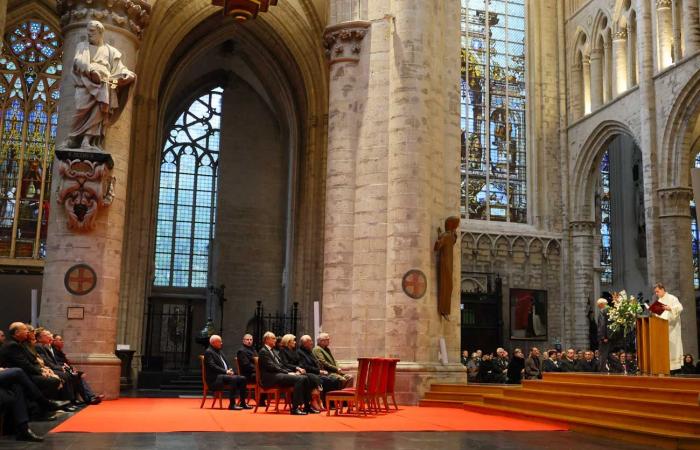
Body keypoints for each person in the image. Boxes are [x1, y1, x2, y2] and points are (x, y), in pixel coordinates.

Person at [65, 20, 135, 150]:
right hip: (86, 84)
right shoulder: (82, 46)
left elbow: (119, 68)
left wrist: (127, 74)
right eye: (88, 31)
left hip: (103, 86)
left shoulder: (111, 51)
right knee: (80, 110)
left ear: (100, 32)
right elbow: (78, 61)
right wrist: (91, 70)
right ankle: (73, 138)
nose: (89, 34)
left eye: (92, 31)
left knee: (98, 112)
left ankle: (87, 140)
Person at [0, 323, 62, 400]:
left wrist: (42, 370)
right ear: (17, 333)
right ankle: (44, 403)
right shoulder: (13, 345)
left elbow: (31, 361)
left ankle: (44, 404)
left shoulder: (19, 343)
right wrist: (41, 372)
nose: (28, 332)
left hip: (26, 372)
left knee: (56, 378)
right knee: (53, 381)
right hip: (21, 375)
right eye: (25, 330)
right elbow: (24, 364)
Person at [258, 331, 313, 415]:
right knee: (299, 379)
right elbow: (272, 367)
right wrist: (288, 373)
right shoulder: (263, 351)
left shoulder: (273, 351)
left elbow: (281, 365)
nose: (275, 340)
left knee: (305, 377)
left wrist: (290, 372)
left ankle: (307, 406)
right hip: (269, 377)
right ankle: (295, 408)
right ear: (267, 340)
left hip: (277, 375)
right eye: (273, 338)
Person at [51, 334, 103, 404]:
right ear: (54, 341)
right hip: (59, 370)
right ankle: (88, 398)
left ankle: (90, 397)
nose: (62, 341)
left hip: (65, 370)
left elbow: (65, 363)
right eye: (60, 340)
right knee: (76, 375)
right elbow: (58, 363)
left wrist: (72, 368)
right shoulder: (53, 351)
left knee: (78, 376)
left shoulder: (59, 352)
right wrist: (70, 369)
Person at [203, 335, 250, 410]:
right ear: (213, 342)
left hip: (223, 376)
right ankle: (232, 404)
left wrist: (230, 370)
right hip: (214, 379)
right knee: (233, 379)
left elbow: (227, 363)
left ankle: (243, 402)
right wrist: (226, 371)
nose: (221, 343)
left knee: (243, 378)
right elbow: (212, 366)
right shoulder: (208, 352)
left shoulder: (219, 351)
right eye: (220, 341)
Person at [278, 334, 323, 412]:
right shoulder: (283, 350)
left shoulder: (293, 350)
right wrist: (297, 368)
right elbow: (285, 364)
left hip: (297, 371)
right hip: (289, 371)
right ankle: (310, 401)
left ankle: (308, 405)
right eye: (293, 341)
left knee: (309, 377)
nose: (295, 342)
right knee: (310, 377)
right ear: (288, 342)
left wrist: (301, 368)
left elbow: (299, 362)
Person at [297, 335, 342, 406]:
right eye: (310, 341)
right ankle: (326, 403)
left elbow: (317, 363)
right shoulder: (300, 352)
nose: (312, 343)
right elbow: (305, 366)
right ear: (305, 343)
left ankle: (332, 403)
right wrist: (319, 371)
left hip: (316, 372)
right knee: (330, 380)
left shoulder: (309, 352)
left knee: (334, 380)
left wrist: (321, 370)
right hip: (310, 373)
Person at [653, 283, 684, 371]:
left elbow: (680, 308)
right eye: (655, 292)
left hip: (672, 328)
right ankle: (664, 366)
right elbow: (657, 314)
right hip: (662, 328)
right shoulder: (659, 300)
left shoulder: (672, 298)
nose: (656, 294)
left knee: (672, 348)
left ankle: (674, 369)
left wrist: (670, 308)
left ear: (662, 289)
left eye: (657, 291)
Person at [434, 216, 459, 317]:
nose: (457, 227)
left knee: (449, 287)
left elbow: (450, 240)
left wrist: (440, 235)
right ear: (451, 225)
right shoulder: (448, 236)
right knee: (446, 286)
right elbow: (437, 247)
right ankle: (444, 309)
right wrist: (439, 239)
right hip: (445, 263)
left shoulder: (450, 235)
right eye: (456, 225)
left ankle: (445, 309)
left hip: (448, 263)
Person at [596, 298, 610, 373]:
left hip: (604, 337)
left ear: (601, 304)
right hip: (610, 336)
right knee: (608, 353)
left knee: (602, 354)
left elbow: (602, 325)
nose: (597, 306)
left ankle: (602, 371)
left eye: (598, 305)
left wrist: (603, 337)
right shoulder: (610, 310)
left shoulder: (603, 311)